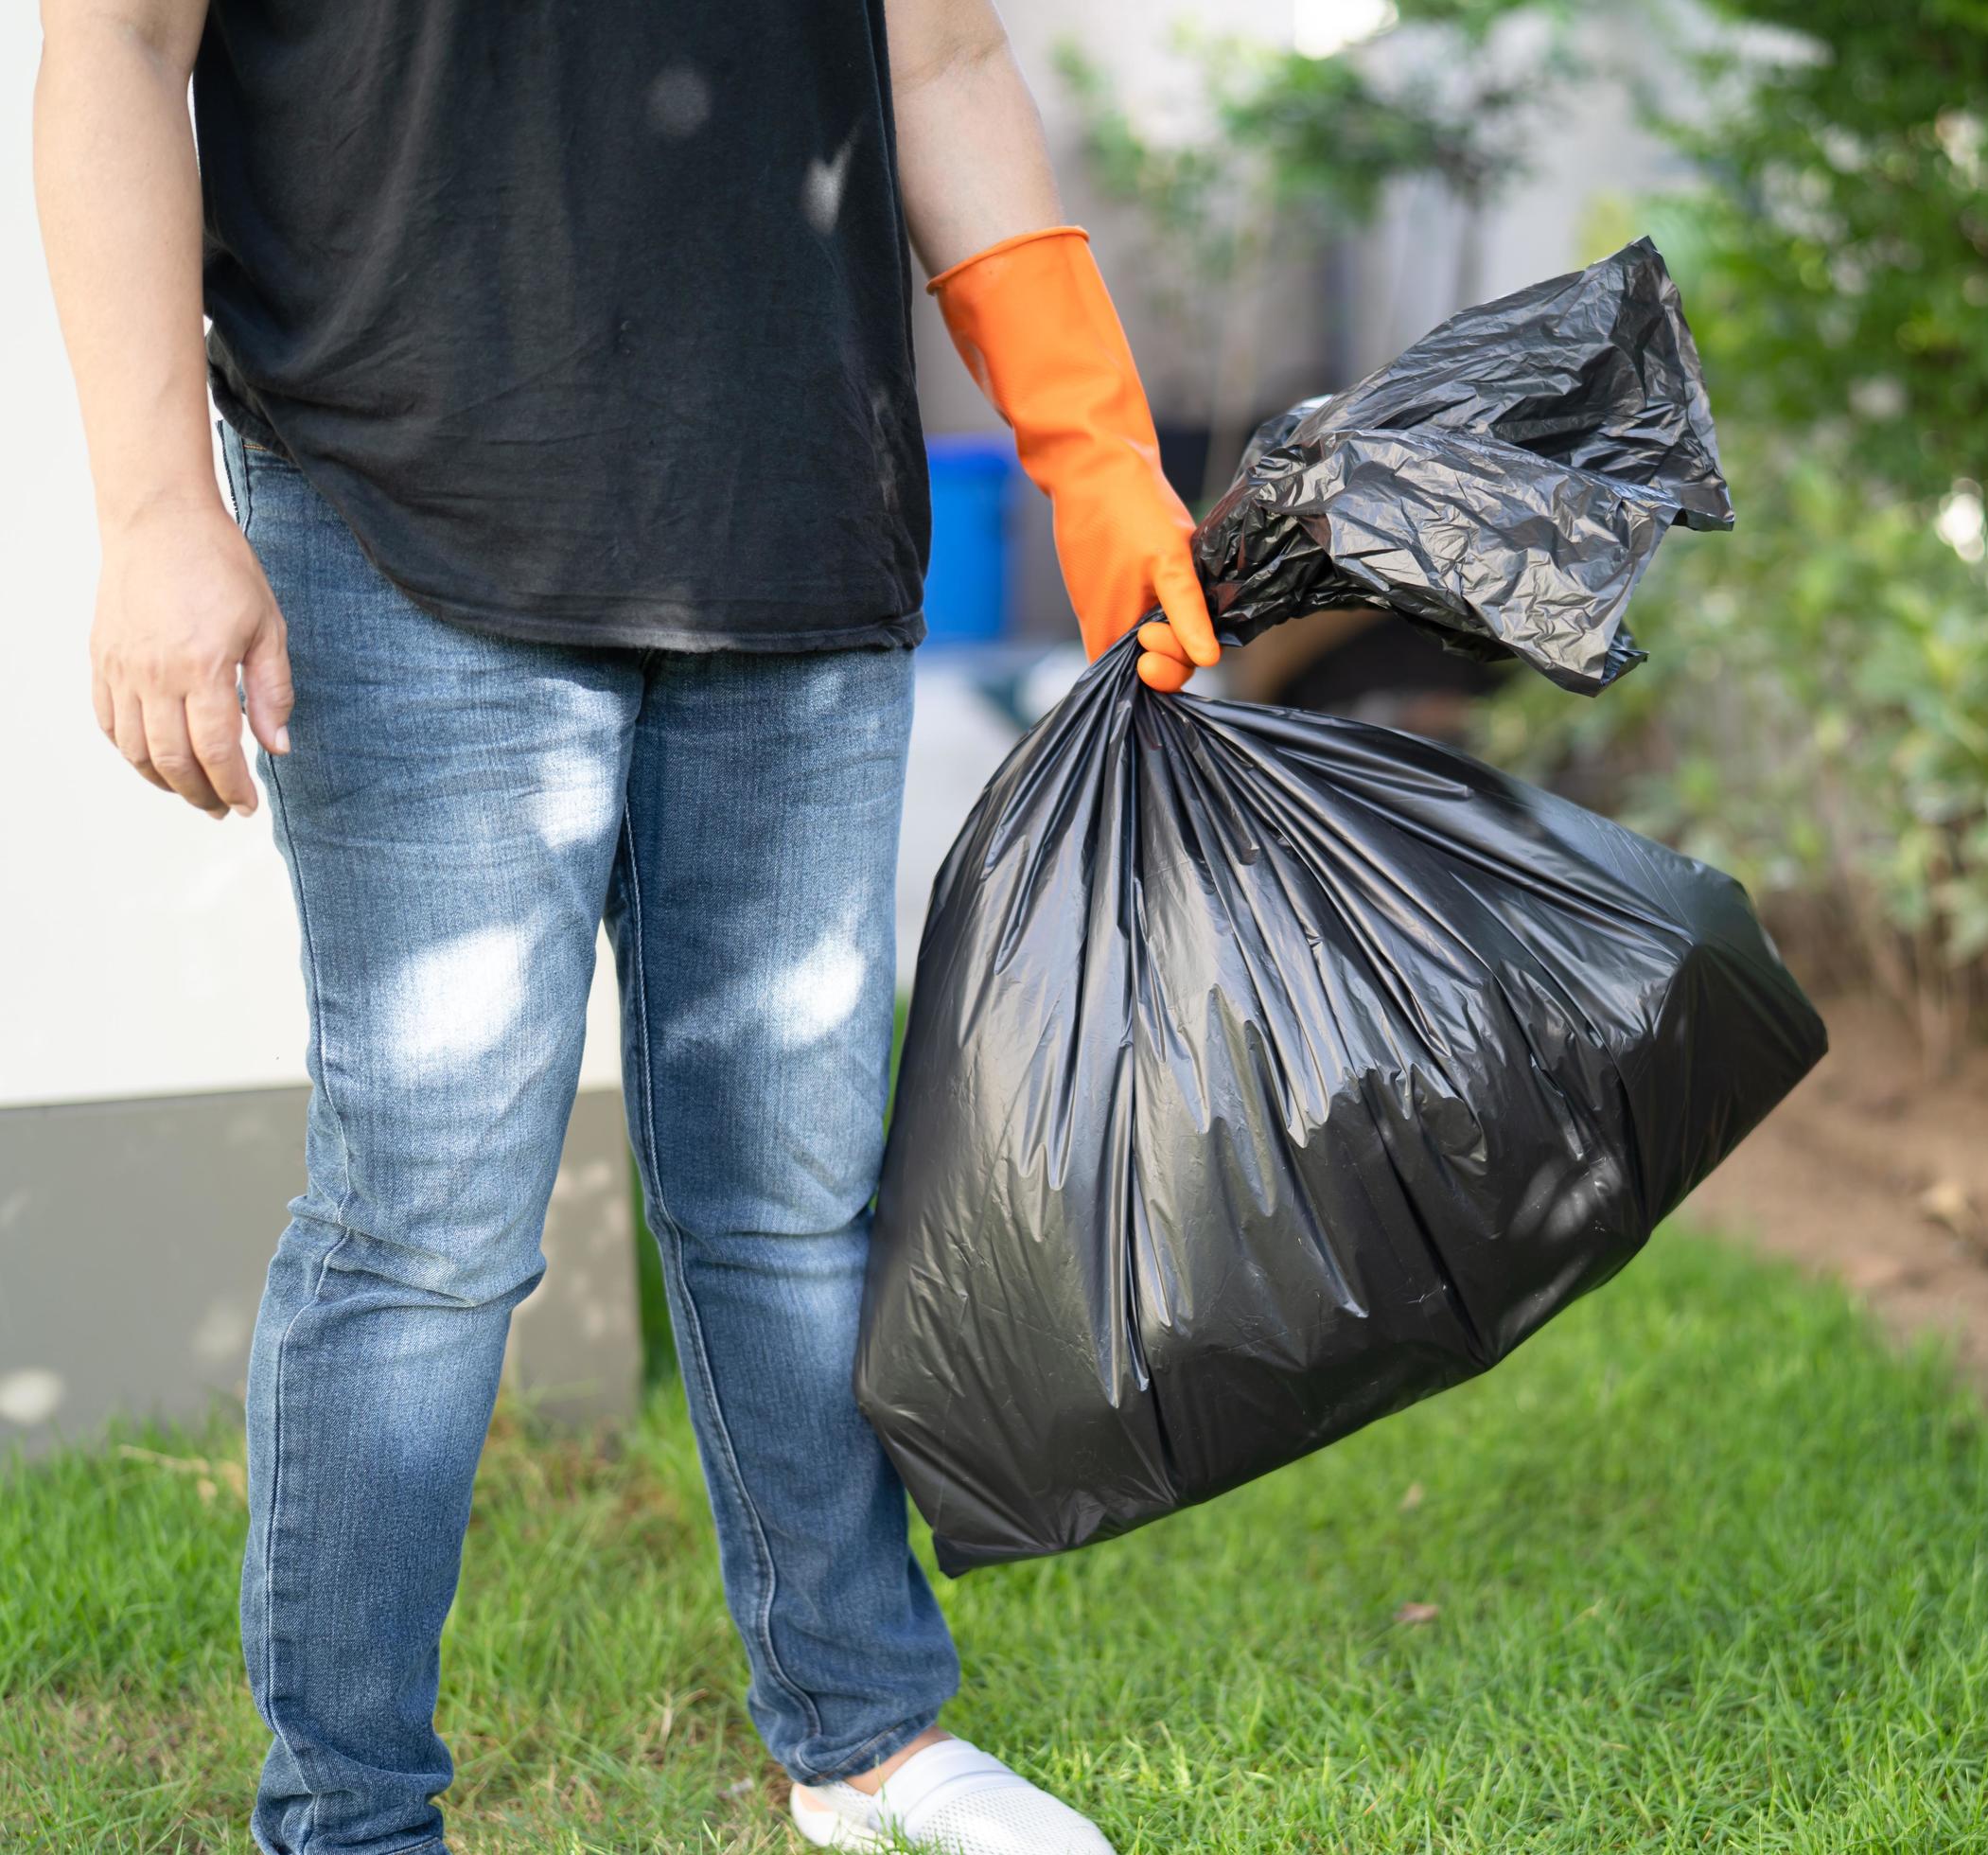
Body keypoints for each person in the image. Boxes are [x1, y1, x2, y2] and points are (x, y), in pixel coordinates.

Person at [33, 1, 1220, 1848]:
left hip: (795, 503)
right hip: (398, 492)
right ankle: (347, 1807)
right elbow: (115, 42)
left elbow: (942, 57)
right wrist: (152, 508)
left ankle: (862, 1728)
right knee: (428, 1209)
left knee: (798, 1177)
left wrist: (1087, 436)